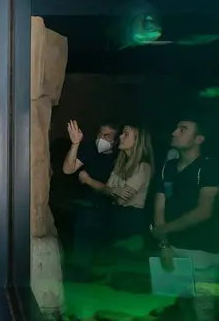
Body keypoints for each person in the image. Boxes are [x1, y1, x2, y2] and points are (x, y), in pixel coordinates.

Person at [152, 116, 219, 321]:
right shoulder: (168, 167)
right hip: (172, 247)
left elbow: (204, 211)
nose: (175, 131)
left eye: (183, 129)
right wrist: (164, 243)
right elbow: (159, 204)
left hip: (203, 250)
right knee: (185, 310)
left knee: (204, 315)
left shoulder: (209, 168)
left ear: (199, 139)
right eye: (176, 126)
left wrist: (164, 231)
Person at [61, 119, 119, 281]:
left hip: (110, 211)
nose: (102, 139)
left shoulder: (120, 156)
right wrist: (75, 144)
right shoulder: (89, 148)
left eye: (107, 136)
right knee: (82, 255)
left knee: (104, 258)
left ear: (116, 139)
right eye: (100, 134)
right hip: (87, 208)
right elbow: (68, 169)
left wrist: (88, 180)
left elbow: (116, 191)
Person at [104, 124, 154, 249]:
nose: (120, 136)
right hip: (116, 220)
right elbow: (105, 190)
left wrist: (110, 191)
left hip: (131, 222)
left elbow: (121, 199)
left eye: (126, 134)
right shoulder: (120, 164)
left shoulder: (143, 167)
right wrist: (115, 191)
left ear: (138, 140)